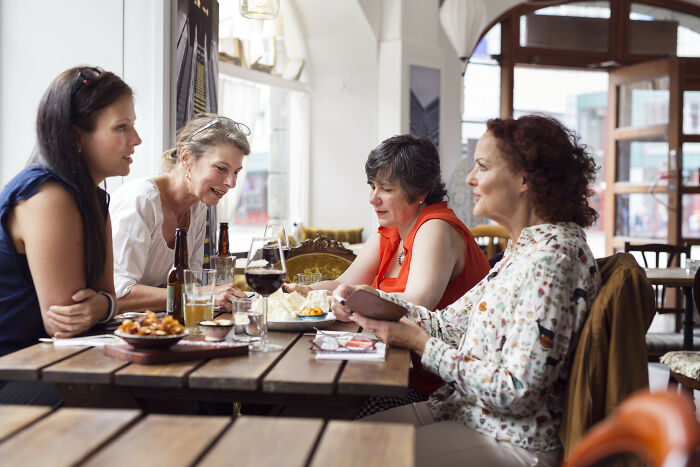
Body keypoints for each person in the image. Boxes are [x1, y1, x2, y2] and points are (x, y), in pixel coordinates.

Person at [332, 115, 602, 466]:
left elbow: (517, 392)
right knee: (342, 437)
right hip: (466, 411)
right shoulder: (525, 251)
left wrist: (417, 342)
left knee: (350, 453)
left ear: (524, 179)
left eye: (483, 167)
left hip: (511, 437)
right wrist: (371, 300)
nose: (471, 178)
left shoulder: (551, 261)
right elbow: (448, 324)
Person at [285, 134, 491, 407]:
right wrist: (303, 291)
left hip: (434, 380)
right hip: (393, 362)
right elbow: (346, 282)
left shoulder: (435, 227)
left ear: (419, 193)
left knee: (322, 403)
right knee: (308, 396)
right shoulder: (391, 227)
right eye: (372, 186)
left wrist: (356, 296)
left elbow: (416, 306)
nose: (373, 198)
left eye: (386, 189)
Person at [0, 66, 141, 405]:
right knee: (124, 401)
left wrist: (102, 305)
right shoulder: (46, 195)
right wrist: (101, 306)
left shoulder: (95, 198)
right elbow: (65, 324)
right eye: (122, 127)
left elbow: (106, 296)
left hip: (46, 361)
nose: (136, 140)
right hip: (12, 369)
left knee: (164, 392)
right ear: (78, 136)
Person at [110, 114, 250, 313]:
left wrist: (198, 293)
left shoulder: (198, 207)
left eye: (236, 171)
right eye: (221, 168)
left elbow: (189, 284)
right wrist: (206, 293)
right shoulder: (140, 200)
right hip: (115, 334)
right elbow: (118, 295)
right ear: (186, 157)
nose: (232, 183)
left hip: (162, 328)